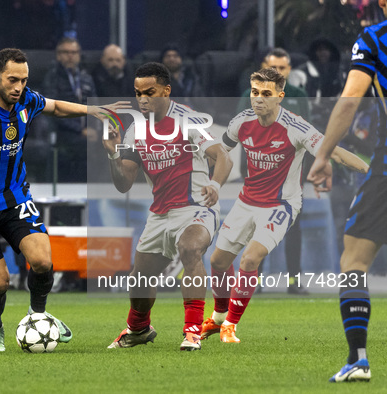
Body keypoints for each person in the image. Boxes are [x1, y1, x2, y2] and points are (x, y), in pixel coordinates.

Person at [0, 48, 125, 352]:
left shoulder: (27, 100)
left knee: (43, 261)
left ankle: (37, 316)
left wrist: (93, 110)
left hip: (15, 198)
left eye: (23, 80)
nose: (18, 87)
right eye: (12, 80)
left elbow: (55, 107)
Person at [200, 68, 368, 345]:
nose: (259, 99)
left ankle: (230, 324)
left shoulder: (296, 127)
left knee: (250, 259)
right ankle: (218, 318)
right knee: (217, 261)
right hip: (246, 200)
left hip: (281, 204)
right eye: (255, 93)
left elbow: (334, 151)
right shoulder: (241, 122)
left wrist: (371, 170)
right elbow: (220, 151)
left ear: (280, 96)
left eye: (266, 94)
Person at [103, 62, 233, 351]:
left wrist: (215, 186)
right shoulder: (135, 130)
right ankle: (138, 329)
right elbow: (124, 183)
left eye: (150, 92)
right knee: (139, 283)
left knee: (190, 248)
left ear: (166, 90)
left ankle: (192, 332)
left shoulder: (189, 120)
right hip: (160, 214)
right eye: (138, 93)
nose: (143, 99)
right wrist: (113, 155)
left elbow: (223, 157)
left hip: (197, 207)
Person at [307, 0, 387, 382]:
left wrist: (322, 156)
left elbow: (350, 100)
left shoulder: (374, 39)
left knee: (354, 262)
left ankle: (358, 359)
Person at [237, 48, 310, 295]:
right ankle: (254, 280)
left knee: (293, 229)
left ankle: (294, 282)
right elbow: (240, 132)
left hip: (290, 177)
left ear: (289, 71)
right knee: (258, 227)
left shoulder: (299, 95)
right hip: (258, 175)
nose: (278, 72)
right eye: (273, 68)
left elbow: (307, 138)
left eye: (282, 68)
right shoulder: (249, 94)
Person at [42, 37, 97, 182]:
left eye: (74, 52)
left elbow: (95, 105)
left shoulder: (86, 78)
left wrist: (94, 128)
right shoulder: (52, 77)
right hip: (64, 131)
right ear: (58, 55)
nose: (70, 56)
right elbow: (52, 109)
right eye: (66, 52)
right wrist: (80, 130)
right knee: (82, 146)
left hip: (88, 131)